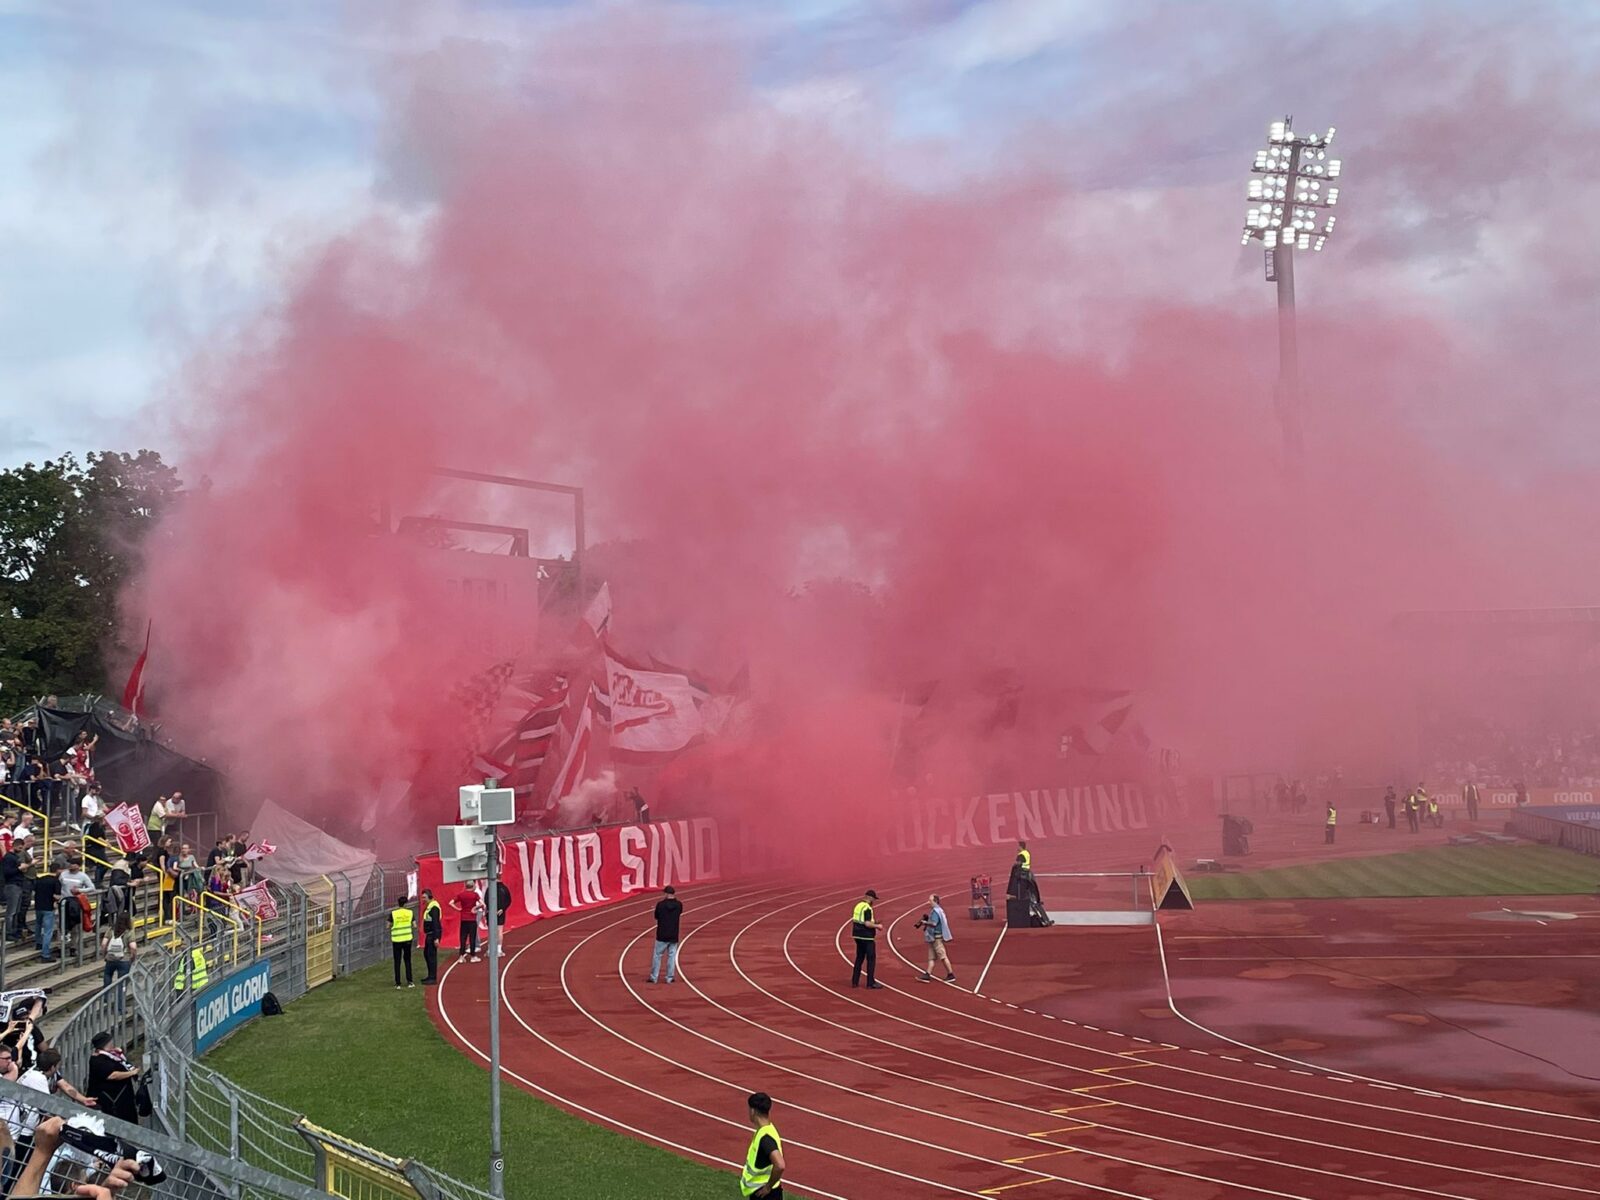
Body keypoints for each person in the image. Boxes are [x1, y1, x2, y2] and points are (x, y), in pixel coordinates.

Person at [86, 1031, 141, 1124]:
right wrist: (131, 1073)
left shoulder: (112, 1055)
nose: (112, 1044)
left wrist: (119, 1054)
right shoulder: (98, 1060)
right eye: (110, 1042)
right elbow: (112, 1075)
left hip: (121, 1097)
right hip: (110, 1100)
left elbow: (122, 1063)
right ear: (104, 1044)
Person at [740, 1092, 786, 1199]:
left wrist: (768, 1187)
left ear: (753, 1111)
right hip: (767, 1192)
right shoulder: (768, 1129)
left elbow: (780, 1165)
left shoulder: (765, 1138)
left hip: (765, 1194)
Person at [915, 893, 955, 983]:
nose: (929, 902)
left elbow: (934, 923)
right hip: (933, 938)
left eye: (930, 901)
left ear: (935, 901)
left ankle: (951, 974)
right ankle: (927, 975)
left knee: (943, 956)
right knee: (931, 957)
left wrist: (925, 922)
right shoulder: (938, 910)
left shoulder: (936, 912)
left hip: (936, 937)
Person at [648, 885, 682, 985]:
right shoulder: (679, 904)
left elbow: (656, 916)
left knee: (657, 955)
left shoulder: (660, 905)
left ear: (666, 894)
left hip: (662, 934)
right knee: (672, 956)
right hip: (673, 934)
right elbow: (679, 913)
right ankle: (669, 978)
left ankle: (654, 977)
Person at [101, 913, 137, 1008]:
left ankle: (106, 997)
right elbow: (133, 947)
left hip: (111, 959)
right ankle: (120, 1007)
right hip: (124, 960)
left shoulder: (111, 930)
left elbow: (104, 944)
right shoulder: (129, 932)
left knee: (107, 975)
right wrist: (132, 958)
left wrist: (105, 955)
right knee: (121, 984)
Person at [849, 889, 883, 989]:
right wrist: (877, 926)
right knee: (871, 959)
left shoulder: (858, 906)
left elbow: (859, 920)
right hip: (867, 937)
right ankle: (870, 982)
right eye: (873, 899)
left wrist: (874, 922)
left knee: (859, 958)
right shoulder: (867, 908)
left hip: (857, 935)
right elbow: (867, 923)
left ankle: (855, 981)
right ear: (870, 898)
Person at [33, 867, 61, 963]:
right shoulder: (55, 881)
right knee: (48, 931)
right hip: (48, 908)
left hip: (38, 906)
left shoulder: (40, 880)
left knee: (38, 925)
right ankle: (45, 954)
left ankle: (38, 943)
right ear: (58, 870)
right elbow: (57, 896)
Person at [390, 894, 416, 989]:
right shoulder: (410, 913)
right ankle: (410, 981)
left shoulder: (393, 913)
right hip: (407, 939)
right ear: (405, 904)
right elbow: (415, 925)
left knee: (397, 961)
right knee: (407, 960)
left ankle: (398, 983)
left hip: (396, 940)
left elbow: (388, 925)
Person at [452, 884, 481, 963]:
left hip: (463, 919)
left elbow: (451, 903)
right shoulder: (475, 895)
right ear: (473, 887)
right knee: (472, 938)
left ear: (466, 886)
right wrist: (475, 908)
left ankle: (461, 956)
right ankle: (473, 956)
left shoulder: (461, 895)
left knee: (463, 938)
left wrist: (458, 909)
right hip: (472, 919)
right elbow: (482, 904)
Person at [420, 889, 443, 984]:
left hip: (432, 934)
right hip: (429, 934)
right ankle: (430, 976)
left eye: (424, 897)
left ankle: (432, 978)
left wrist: (436, 938)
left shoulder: (434, 908)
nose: (422, 899)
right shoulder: (430, 906)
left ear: (429, 897)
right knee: (427, 954)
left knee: (431, 956)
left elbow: (436, 923)